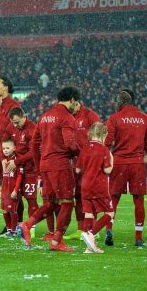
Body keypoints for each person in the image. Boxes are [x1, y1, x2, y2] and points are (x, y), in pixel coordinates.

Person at [18, 86, 81, 252]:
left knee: (52, 203)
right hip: (60, 165)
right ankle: (56, 241)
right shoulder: (67, 117)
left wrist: (40, 163)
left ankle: (27, 225)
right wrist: (82, 154)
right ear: (73, 100)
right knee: (67, 202)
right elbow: (69, 144)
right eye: (76, 103)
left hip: (45, 165)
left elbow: (34, 144)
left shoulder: (44, 116)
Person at [104, 89, 147, 247]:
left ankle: (109, 229)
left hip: (119, 163)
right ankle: (139, 238)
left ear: (120, 102)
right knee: (138, 200)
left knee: (113, 198)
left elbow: (107, 142)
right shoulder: (145, 118)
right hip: (137, 164)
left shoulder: (114, 118)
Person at [75, 123, 114, 254]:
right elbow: (107, 170)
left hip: (85, 185)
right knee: (110, 213)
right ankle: (91, 234)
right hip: (99, 186)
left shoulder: (85, 148)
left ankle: (89, 247)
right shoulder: (104, 150)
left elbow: (77, 169)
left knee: (89, 213)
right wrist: (112, 160)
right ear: (103, 135)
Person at [65, 101, 101, 240]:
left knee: (91, 196)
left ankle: (94, 229)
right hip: (74, 163)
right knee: (78, 196)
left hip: (89, 163)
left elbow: (100, 136)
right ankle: (81, 229)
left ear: (75, 101)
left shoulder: (90, 116)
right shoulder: (69, 116)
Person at [5, 107, 40, 239]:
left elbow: (33, 152)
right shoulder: (11, 127)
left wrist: (17, 161)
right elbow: (3, 143)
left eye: (17, 122)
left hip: (30, 170)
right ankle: (19, 227)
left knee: (31, 200)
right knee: (16, 200)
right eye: (13, 123)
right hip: (16, 171)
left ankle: (32, 228)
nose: (15, 125)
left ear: (24, 116)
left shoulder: (33, 129)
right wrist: (4, 159)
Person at [0, 76, 20, 216]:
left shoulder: (14, 106)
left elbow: (6, 129)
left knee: (10, 190)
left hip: (6, 154)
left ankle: (14, 225)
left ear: (6, 87)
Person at [0, 140, 23, 238]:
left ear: (14, 148)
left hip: (12, 190)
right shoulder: (5, 161)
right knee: (4, 210)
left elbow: (19, 176)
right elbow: (4, 177)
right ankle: (9, 230)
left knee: (12, 210)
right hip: (5, 190)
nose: (5, 150)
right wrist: (1, 190)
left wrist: (15, 190)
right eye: (4, 148)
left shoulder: (16, 161)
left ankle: (14, 231)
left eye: (7, 148)